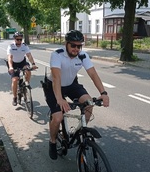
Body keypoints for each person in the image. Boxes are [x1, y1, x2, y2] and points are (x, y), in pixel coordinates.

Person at [43, 30, 109, 160]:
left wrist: (103, 93)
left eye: (79, 46)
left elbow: (93, 74)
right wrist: (60, 99)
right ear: (66, 44)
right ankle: (52, 141)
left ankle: (79, 131)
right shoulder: (57, 55)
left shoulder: (83, 56)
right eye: (73, 45)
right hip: (53, 87)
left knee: (89, 103)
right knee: (57, 118)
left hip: (71, 84)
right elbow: (56, 78)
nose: (76, 49)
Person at [7, 32, 37, 106]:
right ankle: (14, 97)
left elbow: (29, 55)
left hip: (22, 62)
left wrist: (33, 64)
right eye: (18, 39)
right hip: (13, 64)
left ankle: (26, 84)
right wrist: (10, 67)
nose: (19, 41)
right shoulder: (11, 46)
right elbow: (10, 58)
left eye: (21, 39)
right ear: (14, 39)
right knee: (15, 80)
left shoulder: (24, 46)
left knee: (28, 70)